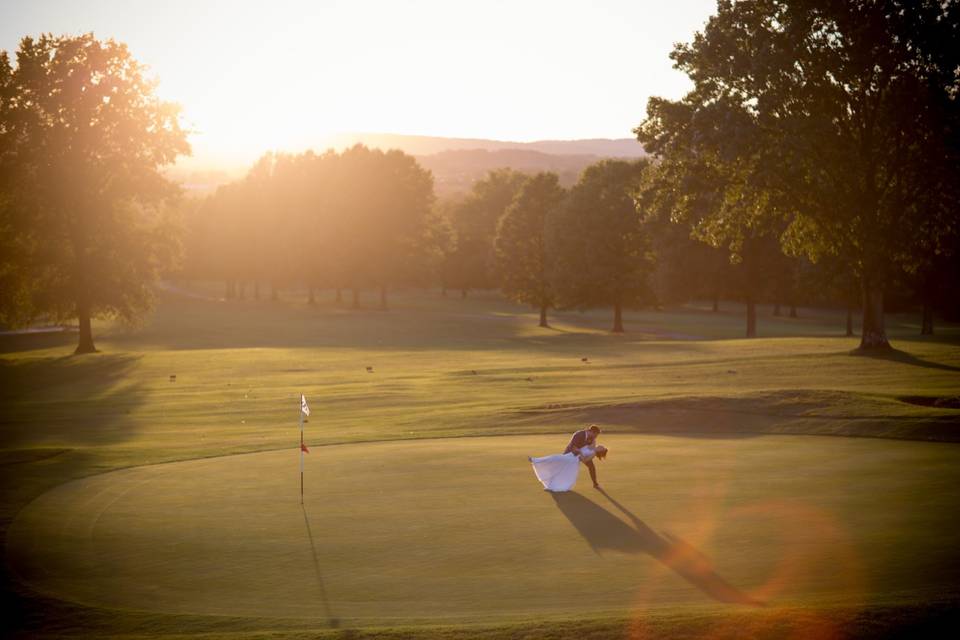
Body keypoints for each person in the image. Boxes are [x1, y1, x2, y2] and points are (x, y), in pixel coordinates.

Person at [529, 425, 607, 491]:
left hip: (580, 456)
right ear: (591, 432)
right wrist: (580, 452)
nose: (596, 436)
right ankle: (537, 462)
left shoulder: (592, 438)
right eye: (596, 434)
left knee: (591, 466)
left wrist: (590, 449)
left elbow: (592, 448)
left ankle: (595, 484)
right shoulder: (579, 434)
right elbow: (573, 447)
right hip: (570, 454)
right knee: (559, 465)